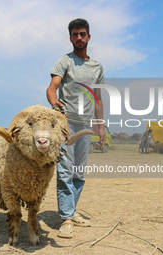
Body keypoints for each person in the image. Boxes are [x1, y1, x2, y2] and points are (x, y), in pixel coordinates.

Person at [46, 18, 106, 238]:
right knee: (64, 171)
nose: (79, 38)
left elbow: (97, 97)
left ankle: (71, 210)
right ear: (70, 37)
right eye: (74, 34)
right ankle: (67, 219)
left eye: (82, 34)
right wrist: (55, 105)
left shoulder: (97, 67)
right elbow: (52, 88)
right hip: (66, 124)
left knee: (79, 173)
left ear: (89, 36)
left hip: (86, 127)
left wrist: (100, 127)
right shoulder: (65, 62)